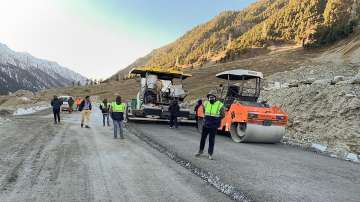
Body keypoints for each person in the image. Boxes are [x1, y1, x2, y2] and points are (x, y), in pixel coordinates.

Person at [195, 93, 224, 160]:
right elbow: (205, 112)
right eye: (210, 97)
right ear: (208, 98)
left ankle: (210, 154)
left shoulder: (220, 105)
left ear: (215, 98)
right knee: (202, 139)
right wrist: (206, 119)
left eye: (213, 97)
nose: (211, 98)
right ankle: (200, 151)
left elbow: (222, 115)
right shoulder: (206, 104)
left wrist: (216, 120)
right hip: (206, 125)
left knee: (211, 140)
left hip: (213, 126)